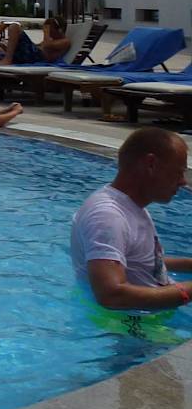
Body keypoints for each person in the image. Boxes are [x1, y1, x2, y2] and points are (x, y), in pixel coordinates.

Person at [70, 127, 192, 311]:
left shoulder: (131, 207)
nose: (183, 182)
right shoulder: (107, 216)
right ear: (151, 164)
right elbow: (111, 295)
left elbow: (141, 261)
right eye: (178, 172)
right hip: (133, 324)